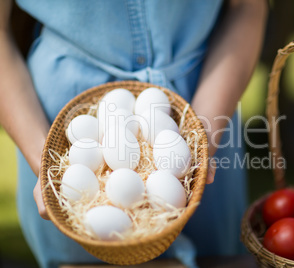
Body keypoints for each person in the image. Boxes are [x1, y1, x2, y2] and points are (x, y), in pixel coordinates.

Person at [0, 1, 268, 267]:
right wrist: (46, 161)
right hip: (52, 121)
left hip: (208, 95)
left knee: (217, 257)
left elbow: (247, 7)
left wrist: (200, 136)